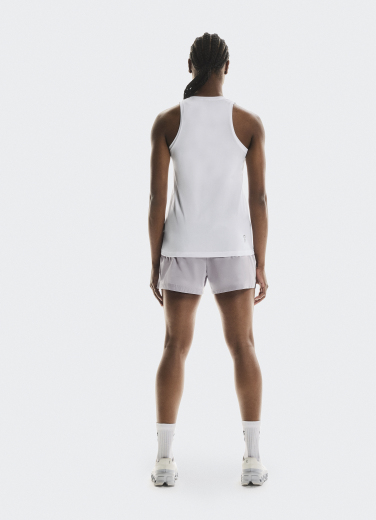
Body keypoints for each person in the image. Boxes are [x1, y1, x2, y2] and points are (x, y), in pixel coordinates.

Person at [148, 32, 269, 486]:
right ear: (227, 67)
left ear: (190, 66)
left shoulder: (168, 121)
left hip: (181, 246)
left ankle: (163, 461)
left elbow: (156, 200)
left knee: (173, 348)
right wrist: (260, 262)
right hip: (233, 247)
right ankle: (253, 460)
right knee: (244, 347)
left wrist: (153, 260)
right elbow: (259, 198)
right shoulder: (248, 123)